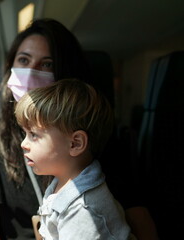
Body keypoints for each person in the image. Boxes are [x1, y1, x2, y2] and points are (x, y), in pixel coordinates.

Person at [0, 18, 158, 240]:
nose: (30, 73)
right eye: (23, 60)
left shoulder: (99, 140)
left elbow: (137, 213)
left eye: (47, 64)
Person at [15, 78, 134, 239]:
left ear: (75, 143)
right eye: (26, 134)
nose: (23, 144)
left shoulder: (84, 210)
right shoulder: (61, 185)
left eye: (34, 135)